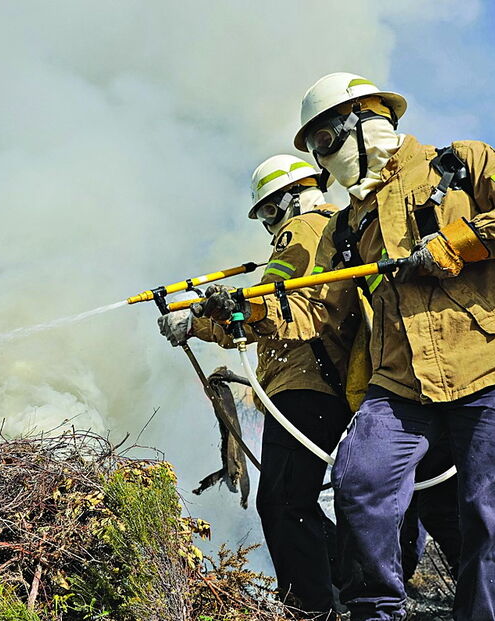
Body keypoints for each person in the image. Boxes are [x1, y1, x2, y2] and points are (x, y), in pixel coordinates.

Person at [194, 72, 495, 620]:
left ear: (365, 121)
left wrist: (462, 241)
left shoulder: (461, 163)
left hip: (489, 370)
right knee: (360, 481)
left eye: (325, 140)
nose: (324, 160)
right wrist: (247, 312)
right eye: (316, 150)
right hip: (400, 383)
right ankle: (376, 612)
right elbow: (316, 311)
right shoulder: (344, 227)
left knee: (491, 518)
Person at [158, 154, 358, 613]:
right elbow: (256, 320)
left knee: (284, 502)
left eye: (270, 210)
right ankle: (351, 590)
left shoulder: (303, 227)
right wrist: (197, 324)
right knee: (294, 499)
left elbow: (268, 311)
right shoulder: (333, 229)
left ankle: (314, 610)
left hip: (307, 381)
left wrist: (195, 319)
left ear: (295, 196)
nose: (270, 225)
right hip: (315, 379)